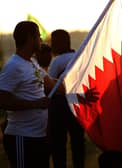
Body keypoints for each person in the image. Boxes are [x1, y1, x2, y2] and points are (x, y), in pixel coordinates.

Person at [0, 21, 64, 168]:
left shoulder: (32, 63)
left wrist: (80, 92)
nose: (41, 39)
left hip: (39, 137)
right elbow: (2, 99)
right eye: (38, 36)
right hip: (22, 138)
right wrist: (35, 104)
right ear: (30, 38)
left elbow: (52, 84)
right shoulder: (13, 66)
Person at [48, 29, 85, 168]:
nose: (51, 45)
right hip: (77, 104)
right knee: (78, 144)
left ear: (62, 42)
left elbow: (50, 86)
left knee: (59, 145)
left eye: (53, 42)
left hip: (60, 107)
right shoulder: (78, 57)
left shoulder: (57, 61)